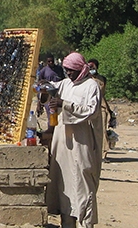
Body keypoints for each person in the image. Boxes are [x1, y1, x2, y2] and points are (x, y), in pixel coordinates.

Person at [42, 52, 102, 228]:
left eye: (71, 71)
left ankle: (86, 223)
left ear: (80, 69)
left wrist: (65, 104)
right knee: (63, 186)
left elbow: (90, 110)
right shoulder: (66, 83)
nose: (69, 74)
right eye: (66, 70)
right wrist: (44, 88)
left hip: (82, 144)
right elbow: (52, 88)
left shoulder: (91, 86)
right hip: (63, 145)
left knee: (83, 186)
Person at [88, 58, 115, 161]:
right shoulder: (86, 79)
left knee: (102, 131)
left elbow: (103, 95)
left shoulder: (102, 79)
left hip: (101, 107)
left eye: (93, 67)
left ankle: (103, 154)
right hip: (89, 107)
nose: (91, 68)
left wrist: (109, 111)